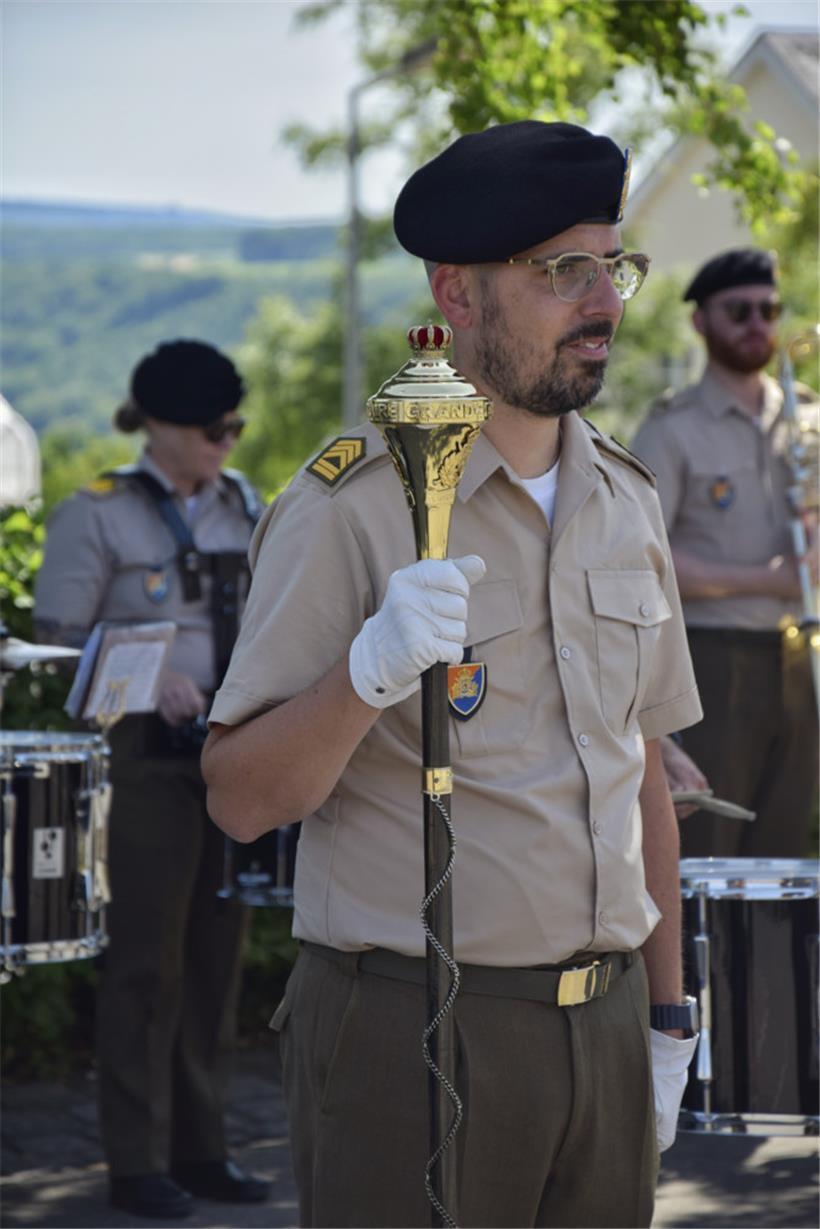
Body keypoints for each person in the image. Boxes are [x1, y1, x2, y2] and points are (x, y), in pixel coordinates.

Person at [202, 121, 703, 1229]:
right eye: (561, 270)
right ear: (457, 294)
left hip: (607, 1022)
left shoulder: (627, 502)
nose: (604, 301)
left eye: (612, 266)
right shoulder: (352, 504)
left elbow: (643, 778)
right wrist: (365, 671)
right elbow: (240, 798)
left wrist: (669, 1015)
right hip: (411, 1022)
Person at [34, 340, 270, 1220]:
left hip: (231, 752)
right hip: (140, 757)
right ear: (161, 426)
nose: (228, 441)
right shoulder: (96, 514)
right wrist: (145, 670)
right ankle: (135, 1161)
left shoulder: (245, 506)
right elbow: (51, 645)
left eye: (235, 425)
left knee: (218, 959)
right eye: (215, 427)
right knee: (144, 965)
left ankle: (203, 1149)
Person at [632, 249, 819, 859]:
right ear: (699, 322)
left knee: (788, 853)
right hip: (712, 662)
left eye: (768, 310)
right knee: (709, 850)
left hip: (801, 659)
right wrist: (770, 581)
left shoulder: (809, 416)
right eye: (737, 310)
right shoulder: (671, 427)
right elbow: (644, 559)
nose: (757, 324)